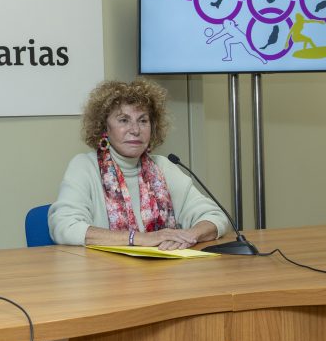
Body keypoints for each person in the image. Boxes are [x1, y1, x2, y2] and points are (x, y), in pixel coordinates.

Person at [48, 79, 229, 250]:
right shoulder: (85, 166)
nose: (135, 130)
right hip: (104, 276)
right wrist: (141, 238)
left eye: (143, 121)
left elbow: (215, 217)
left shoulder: (163, 166)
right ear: (104, 128)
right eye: (124, 120)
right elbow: (64, 226)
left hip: (164, 276)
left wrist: (187, 236)